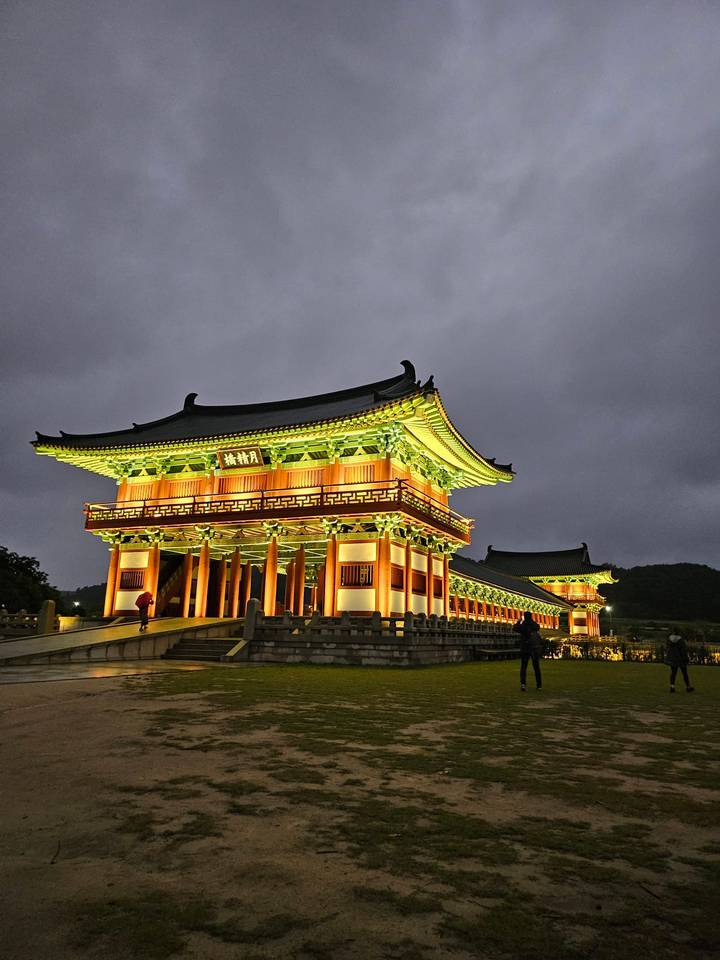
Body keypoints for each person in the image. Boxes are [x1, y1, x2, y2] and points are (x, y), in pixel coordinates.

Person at [513, 611, 543, 691]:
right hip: (534, 647)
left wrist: (518, 621)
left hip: (525, 647)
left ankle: (523, 684)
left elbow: (515, 628)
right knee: (536, 666)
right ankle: (539, 685)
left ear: (525, 617)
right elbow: (538, 627)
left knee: (523, 666)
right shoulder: (534, 625)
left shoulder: (523, 625)